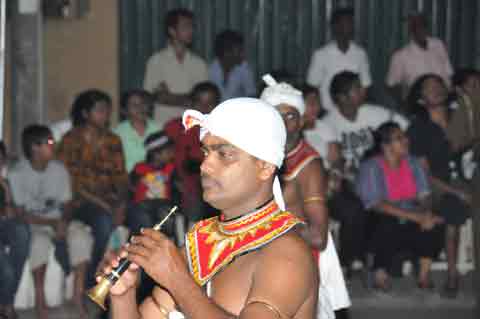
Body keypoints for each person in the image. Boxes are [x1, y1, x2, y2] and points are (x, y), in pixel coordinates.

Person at [100, 97, 318, 319]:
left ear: (264, 167)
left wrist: (178, 280)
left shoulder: (287, 252)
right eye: (206, 152)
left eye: (224, 154)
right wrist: (123, 294)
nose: (205, 166)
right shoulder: (202, 240)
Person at [261, 75, 350, 318]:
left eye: (290, 116)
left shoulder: (308, 165)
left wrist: (264, 224)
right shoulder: (260, 155)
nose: (283, 122)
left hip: (294, 265)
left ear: (302, 121)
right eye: (276, 115)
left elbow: (317, 237)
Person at [323, 71, 408, 274]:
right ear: (342, 97)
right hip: (346, 182)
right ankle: (352, 260)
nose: (363, 91)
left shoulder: (374, 113)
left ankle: (384, 259)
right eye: (357, 89)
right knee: (357, 207)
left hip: (377, 177)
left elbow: (404, 127)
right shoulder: (328, 123)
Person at [8, 125, 93, 319]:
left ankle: (77, 296)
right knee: (39, 243)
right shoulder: (17, 173)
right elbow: (21, 214)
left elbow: (67, 203)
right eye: (49, 142)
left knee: (81, 236)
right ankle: (40, 298)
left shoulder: (59, 169)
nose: (53, 146)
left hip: (57, 220)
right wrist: (52, 224)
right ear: (34, 147)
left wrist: (62, 221)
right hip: (34, 223)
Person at [356, 122, 444, 291]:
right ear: (386, 146)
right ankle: (380, 274)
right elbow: (377, 204)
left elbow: (425, 195)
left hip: (410, 213)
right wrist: (415, 216)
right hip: (381, 216)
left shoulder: (413, 163)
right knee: (385, 222)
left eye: (404, 137)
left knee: (433, 221)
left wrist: (425, 213)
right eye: (399, 138)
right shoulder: (371, 167)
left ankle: (423, 274)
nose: (406, 141)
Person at [406, 74, 471, 298]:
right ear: (421, 98)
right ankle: (453, 274)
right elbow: (424, 175)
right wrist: (457, 192)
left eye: (439, 84)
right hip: (435, 187)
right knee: (453, 205)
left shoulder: (460, 118)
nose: (436, 89)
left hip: (466, 181)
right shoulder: (418, 128)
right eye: (429, 87)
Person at [57, 90, 129, 287]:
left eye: (108, 110)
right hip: (79, 201)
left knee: (141, 219)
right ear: (85, 114)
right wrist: (106, 206)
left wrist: (121, 205)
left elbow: (121, 177)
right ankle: (92, 276)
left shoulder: (113, 140)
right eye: (100, 110)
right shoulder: (71, 140)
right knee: (103, 221)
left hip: (108, 200)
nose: (106, 114)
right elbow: (72, 183)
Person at [164, 82, 220, 225]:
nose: (204, 108)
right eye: (199, 103)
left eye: (210, 103)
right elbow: (165, 160)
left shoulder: (223, 131)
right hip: (181, 184)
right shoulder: (175, 127)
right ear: (190, 104)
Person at [307, 7, 372, 112]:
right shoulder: (321, 55)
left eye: (351, 23)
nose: (348, 27)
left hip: (354, 111)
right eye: (344, 23)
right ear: (334, 27)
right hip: (328, 112)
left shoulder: (360, 53)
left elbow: (365, 85)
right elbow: (312, 87)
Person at [386, 12, 453, 108]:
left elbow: (449, 74)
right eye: (416, 26)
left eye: (423, 25)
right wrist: (404, 104)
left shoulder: (438, 45)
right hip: (421, 106)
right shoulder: (401, 56)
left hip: (445, 101)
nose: (421, 29)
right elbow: (390, 85)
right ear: (411, 30)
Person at [143, 8, 208, 107]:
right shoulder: (156, 61)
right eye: (185, 27)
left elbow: (202, 98)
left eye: (192, 26)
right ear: (172, 31)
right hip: (164, 121)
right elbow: (152, 96)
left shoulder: (199, 63)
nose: (191, 31)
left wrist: (169, 96)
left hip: (191, 121)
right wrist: (189, 98)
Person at [0, 142, 30, 319]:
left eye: (1, 160)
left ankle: (5, 304)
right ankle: (7, 305)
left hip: (4, 225)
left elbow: (12, 215)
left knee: (22, 232)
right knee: (8, 272)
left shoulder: (7, 180)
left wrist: (6, 190)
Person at [127, 131, 176, 234]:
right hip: (142, 204)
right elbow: (130, 186)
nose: (171, 154)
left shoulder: (171, 168)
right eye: (168, 152)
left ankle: (162, 242)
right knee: (142, 218)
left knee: (167, 216)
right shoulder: (140, 168)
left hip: (163, 204)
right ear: (156, 154)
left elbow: (176, 189)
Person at [114, 89, 159, 172]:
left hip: (155, 179)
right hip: (128, 180)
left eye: (143, 103)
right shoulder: (117, 133)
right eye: (134, 105)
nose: (140, 108)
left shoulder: (158, 129)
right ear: (124, 110)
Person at [209, 30, 256, 101]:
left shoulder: (244, 68)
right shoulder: (210, 69)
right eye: (239, 51)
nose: (243, 54)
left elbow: (252, 96)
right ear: (227, 52)